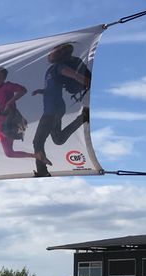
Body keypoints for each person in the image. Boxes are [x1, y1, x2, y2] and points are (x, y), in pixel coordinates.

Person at [31, 42, 91, 177]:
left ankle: (42, 171)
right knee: (58, 139)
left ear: (57, 55)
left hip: (53, 109)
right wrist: (41, 91)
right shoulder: (51, 70)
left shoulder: (59, 67)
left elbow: (75, 75)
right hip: (52, 108)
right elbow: (52, 88)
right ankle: (83, 118)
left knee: (37, 141)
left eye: (52, 53)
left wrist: (88, 81)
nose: (50, 55)